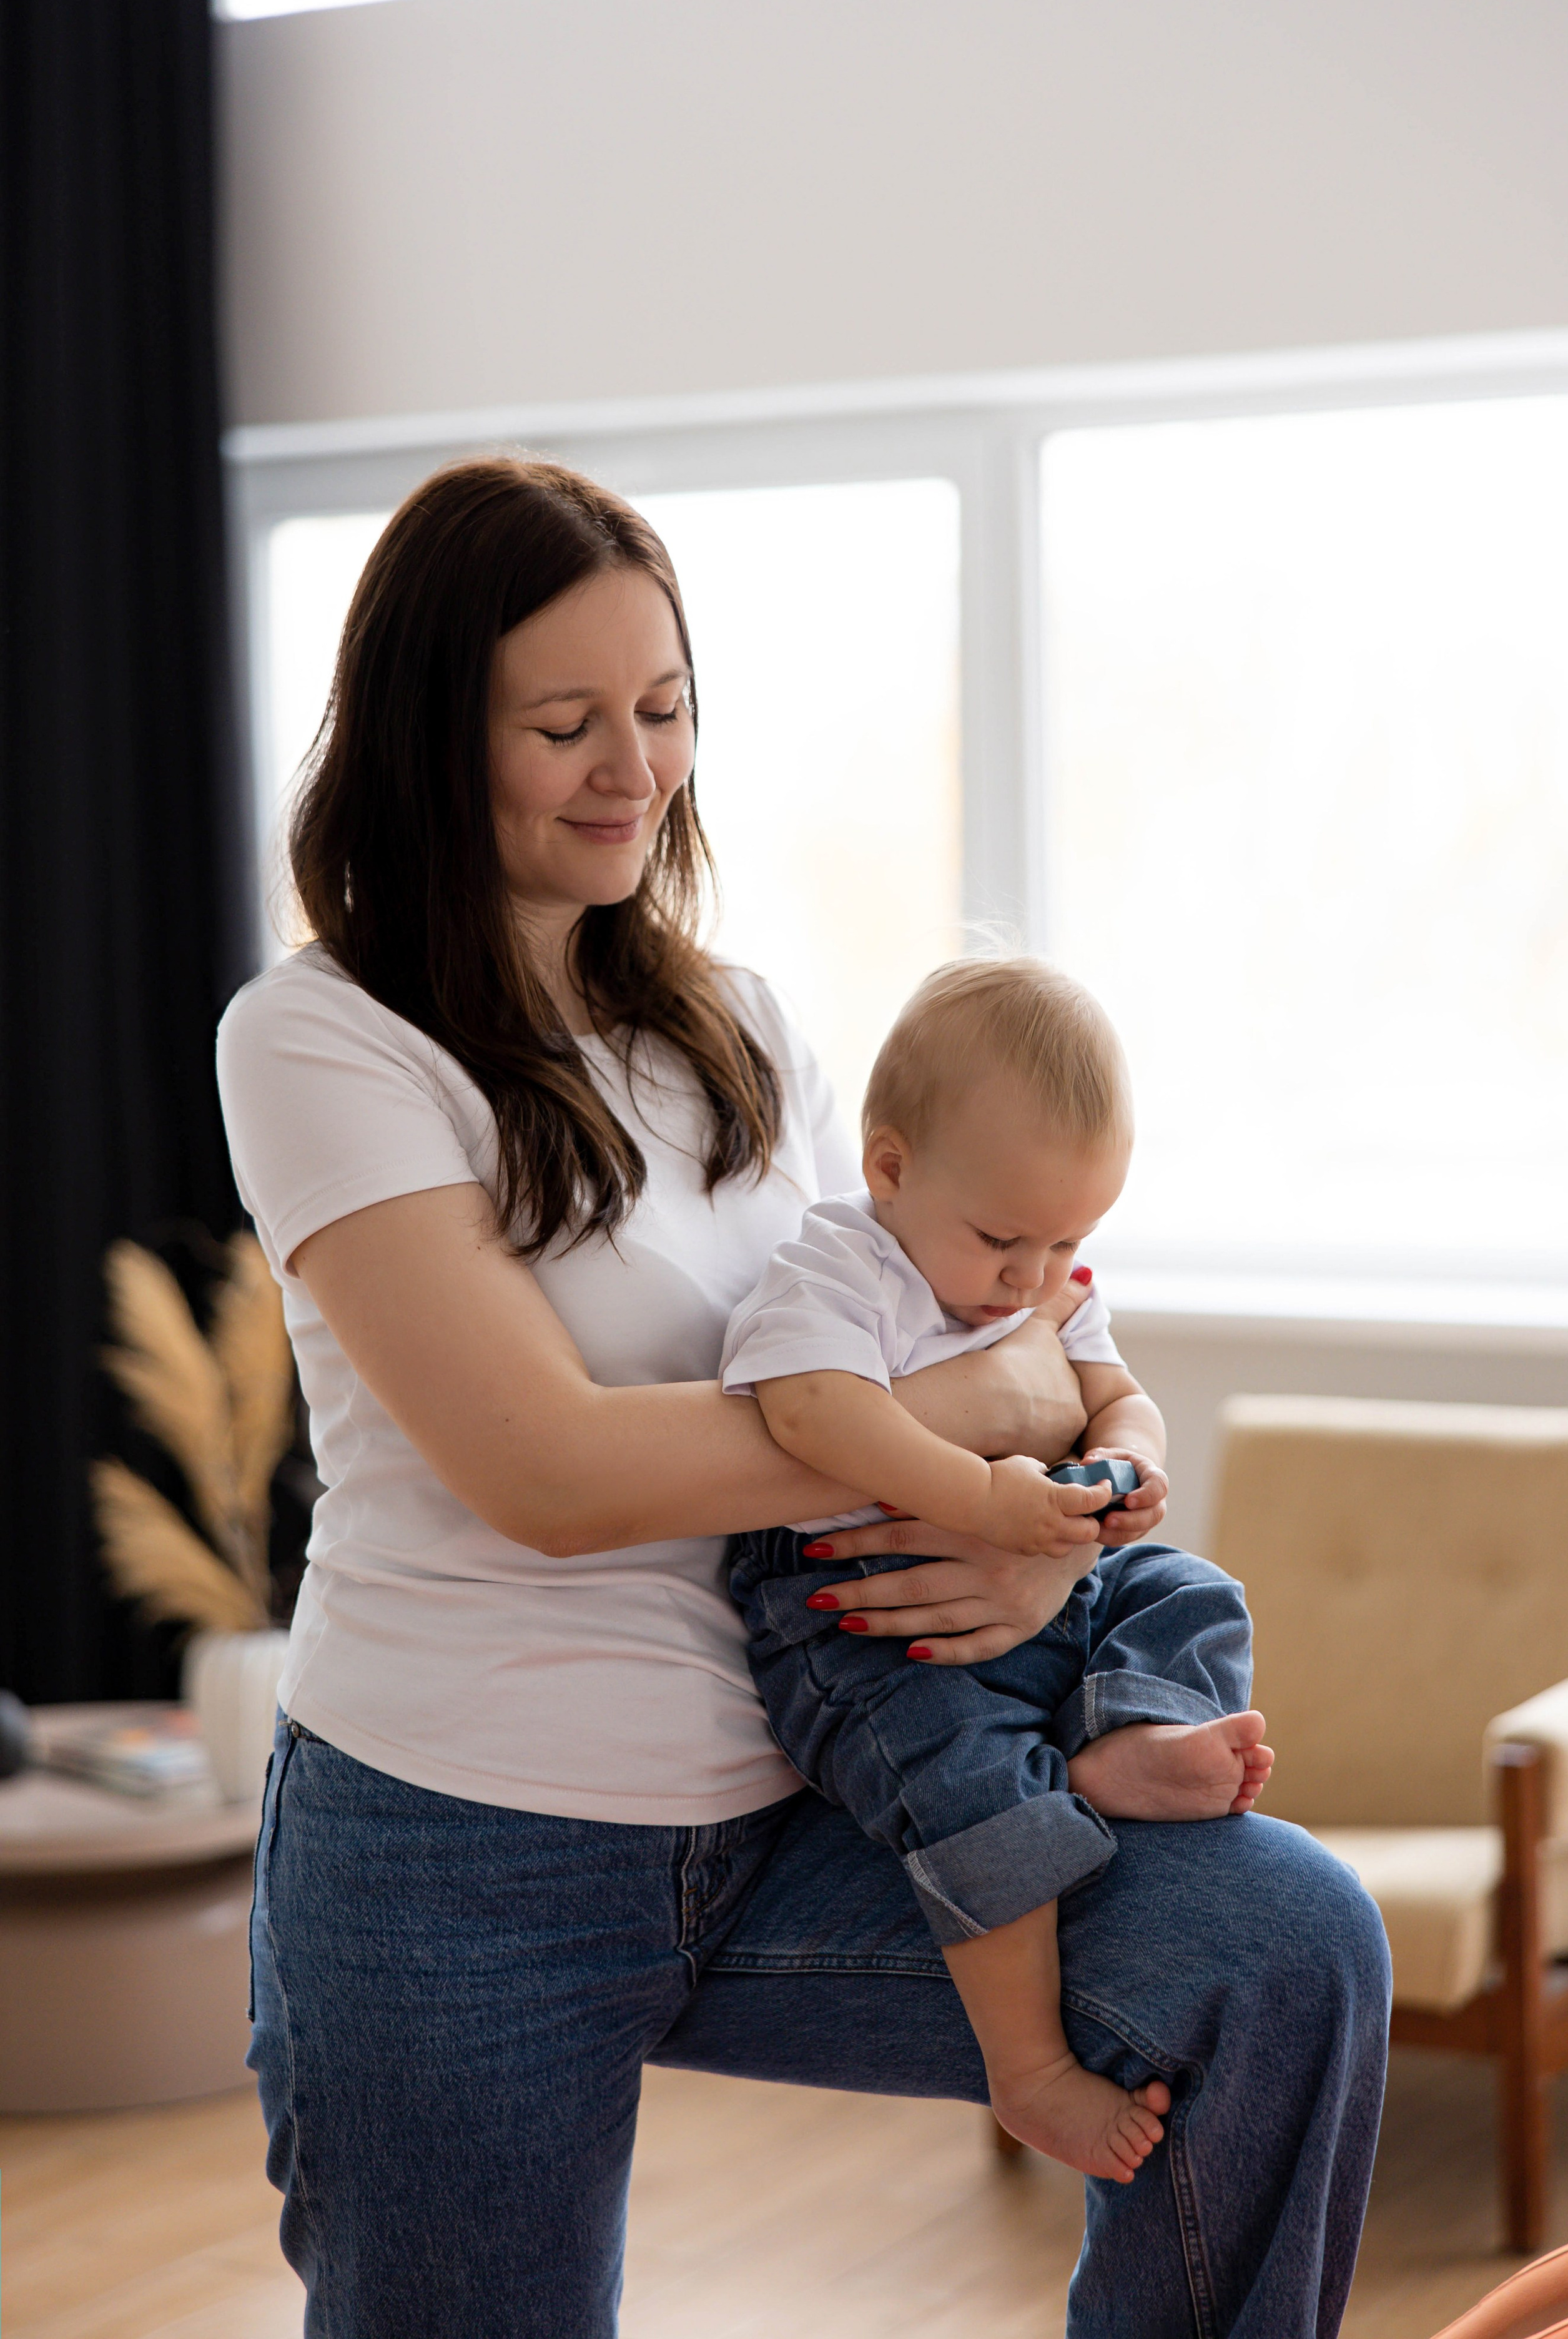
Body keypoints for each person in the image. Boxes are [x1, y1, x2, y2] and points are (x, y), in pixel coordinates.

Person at [217, 455, 1389, 2339]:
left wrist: (1013, 1544)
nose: (635, 765)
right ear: (437, 733)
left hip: (804, 1787)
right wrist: (934, 1442)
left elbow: (958, 1343)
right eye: (565, 720)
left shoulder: (740, 1019)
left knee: (1280, 1942)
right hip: (458, 1845)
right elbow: (549, 1468)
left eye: (665, 709)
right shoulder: (320, 1035)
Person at [721, 955, 1273, 2178]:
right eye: (1003, 1239)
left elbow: (1114, 1392)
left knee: (1189, 1590)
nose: (1033, 1278)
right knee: (969, 1776)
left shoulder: (1043, 1280)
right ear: (890, 1166)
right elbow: (811, 1414)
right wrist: (983, 1494)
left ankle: (1117, 1741)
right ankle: (1027, 2069)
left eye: (1071, 1237)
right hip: (856, 1614)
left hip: (1037, 1564)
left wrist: (1122, 1465)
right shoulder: (838, 1265)